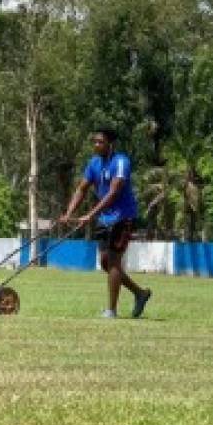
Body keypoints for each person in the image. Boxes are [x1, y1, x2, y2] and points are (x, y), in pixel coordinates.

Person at [59, 128, 152, 319]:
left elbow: (114, 193)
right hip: (104, 218)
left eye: (100, 142)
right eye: (94, 141)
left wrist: (90, 215)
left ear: (110, 144)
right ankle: (140, 293)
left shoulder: (120, 162)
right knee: (105, 263)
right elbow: (81, 189)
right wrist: (69, 213)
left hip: (123, 217)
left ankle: (111, 310)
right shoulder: (94, 163)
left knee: (114, 260)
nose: (96, 145)